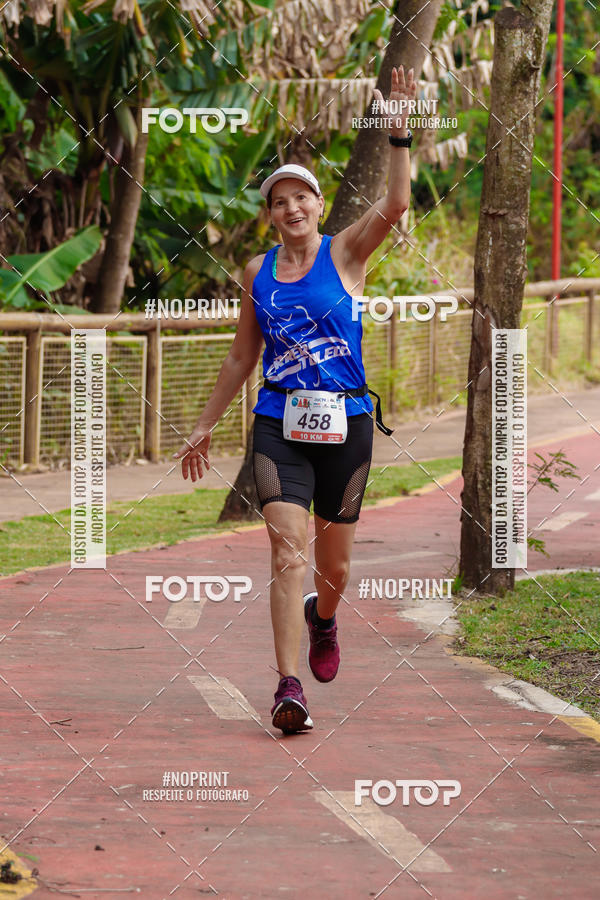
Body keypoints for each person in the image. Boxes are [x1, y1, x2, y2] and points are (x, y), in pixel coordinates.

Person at [174, 66, 415, 734]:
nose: (292, 209)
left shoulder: (347, 254)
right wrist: (202, 426)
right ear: (271, 215)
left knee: (333, 565)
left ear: (317, 204)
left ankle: (324, 619)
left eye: (301, 198)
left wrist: (398, 131)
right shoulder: (256, 273)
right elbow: (239, 356)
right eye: (279, 202)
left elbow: (396, 204)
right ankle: (287, 688)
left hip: (348, 424)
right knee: (286, 550)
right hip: (278, 421)